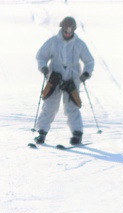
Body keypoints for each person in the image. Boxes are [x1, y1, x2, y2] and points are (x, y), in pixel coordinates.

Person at [34, 16, 95, 146]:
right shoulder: (53, 42)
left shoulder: (79, 44)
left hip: (72, 80)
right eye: (66, 29)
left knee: (72, 107)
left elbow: (89, 60)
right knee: (49, 106)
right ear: (62, 28)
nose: (68, 32)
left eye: (70, 29)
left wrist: (86, 73)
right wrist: (43, 67)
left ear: (73, 29)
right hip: (54, 79)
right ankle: (41, 132)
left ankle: (77, 134)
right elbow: (41, 56)